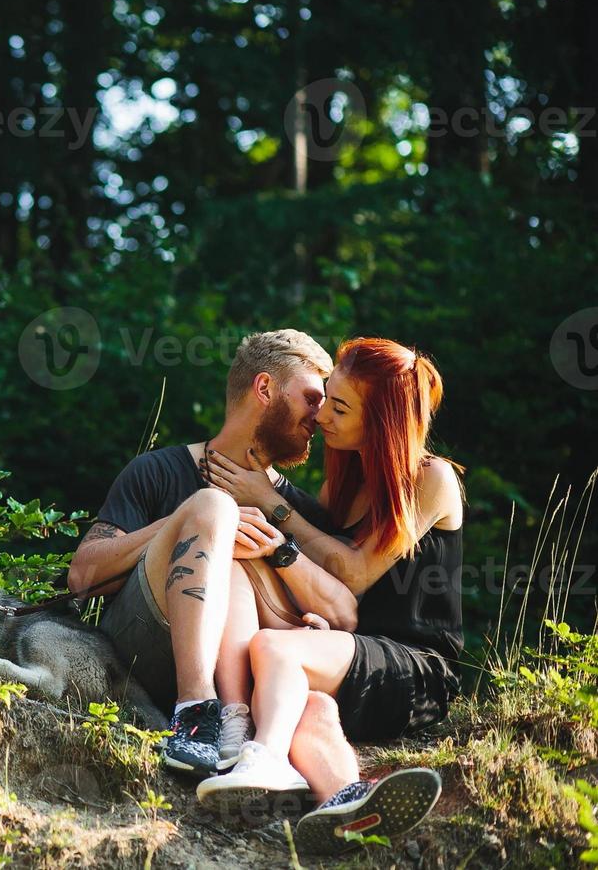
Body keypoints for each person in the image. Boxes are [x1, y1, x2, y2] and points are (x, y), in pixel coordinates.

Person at [196, 338, 460, 857]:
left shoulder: (432, 480)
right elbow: (321, 580)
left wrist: (269, 503)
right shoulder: (344, 485)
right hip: (346, 651)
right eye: (324, 400)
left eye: (338, 407)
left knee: (275, 649)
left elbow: (354, 574)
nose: (320, 417)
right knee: (307, 705)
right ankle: (349, 800)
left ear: (383, 422)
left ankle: (262, 757)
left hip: (415, 665)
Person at [68, 330, 357, 777]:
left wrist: (306, 627)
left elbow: (344, 615)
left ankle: (337, 797)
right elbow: (83, 577)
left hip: (248, 691)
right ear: (264, 389)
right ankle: (195, 708)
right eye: (312, 398)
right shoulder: (158, 471)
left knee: (315, 705)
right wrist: (189, 519)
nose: (320, 417)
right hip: (145, 648)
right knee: (213, 506)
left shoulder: (298, 511)